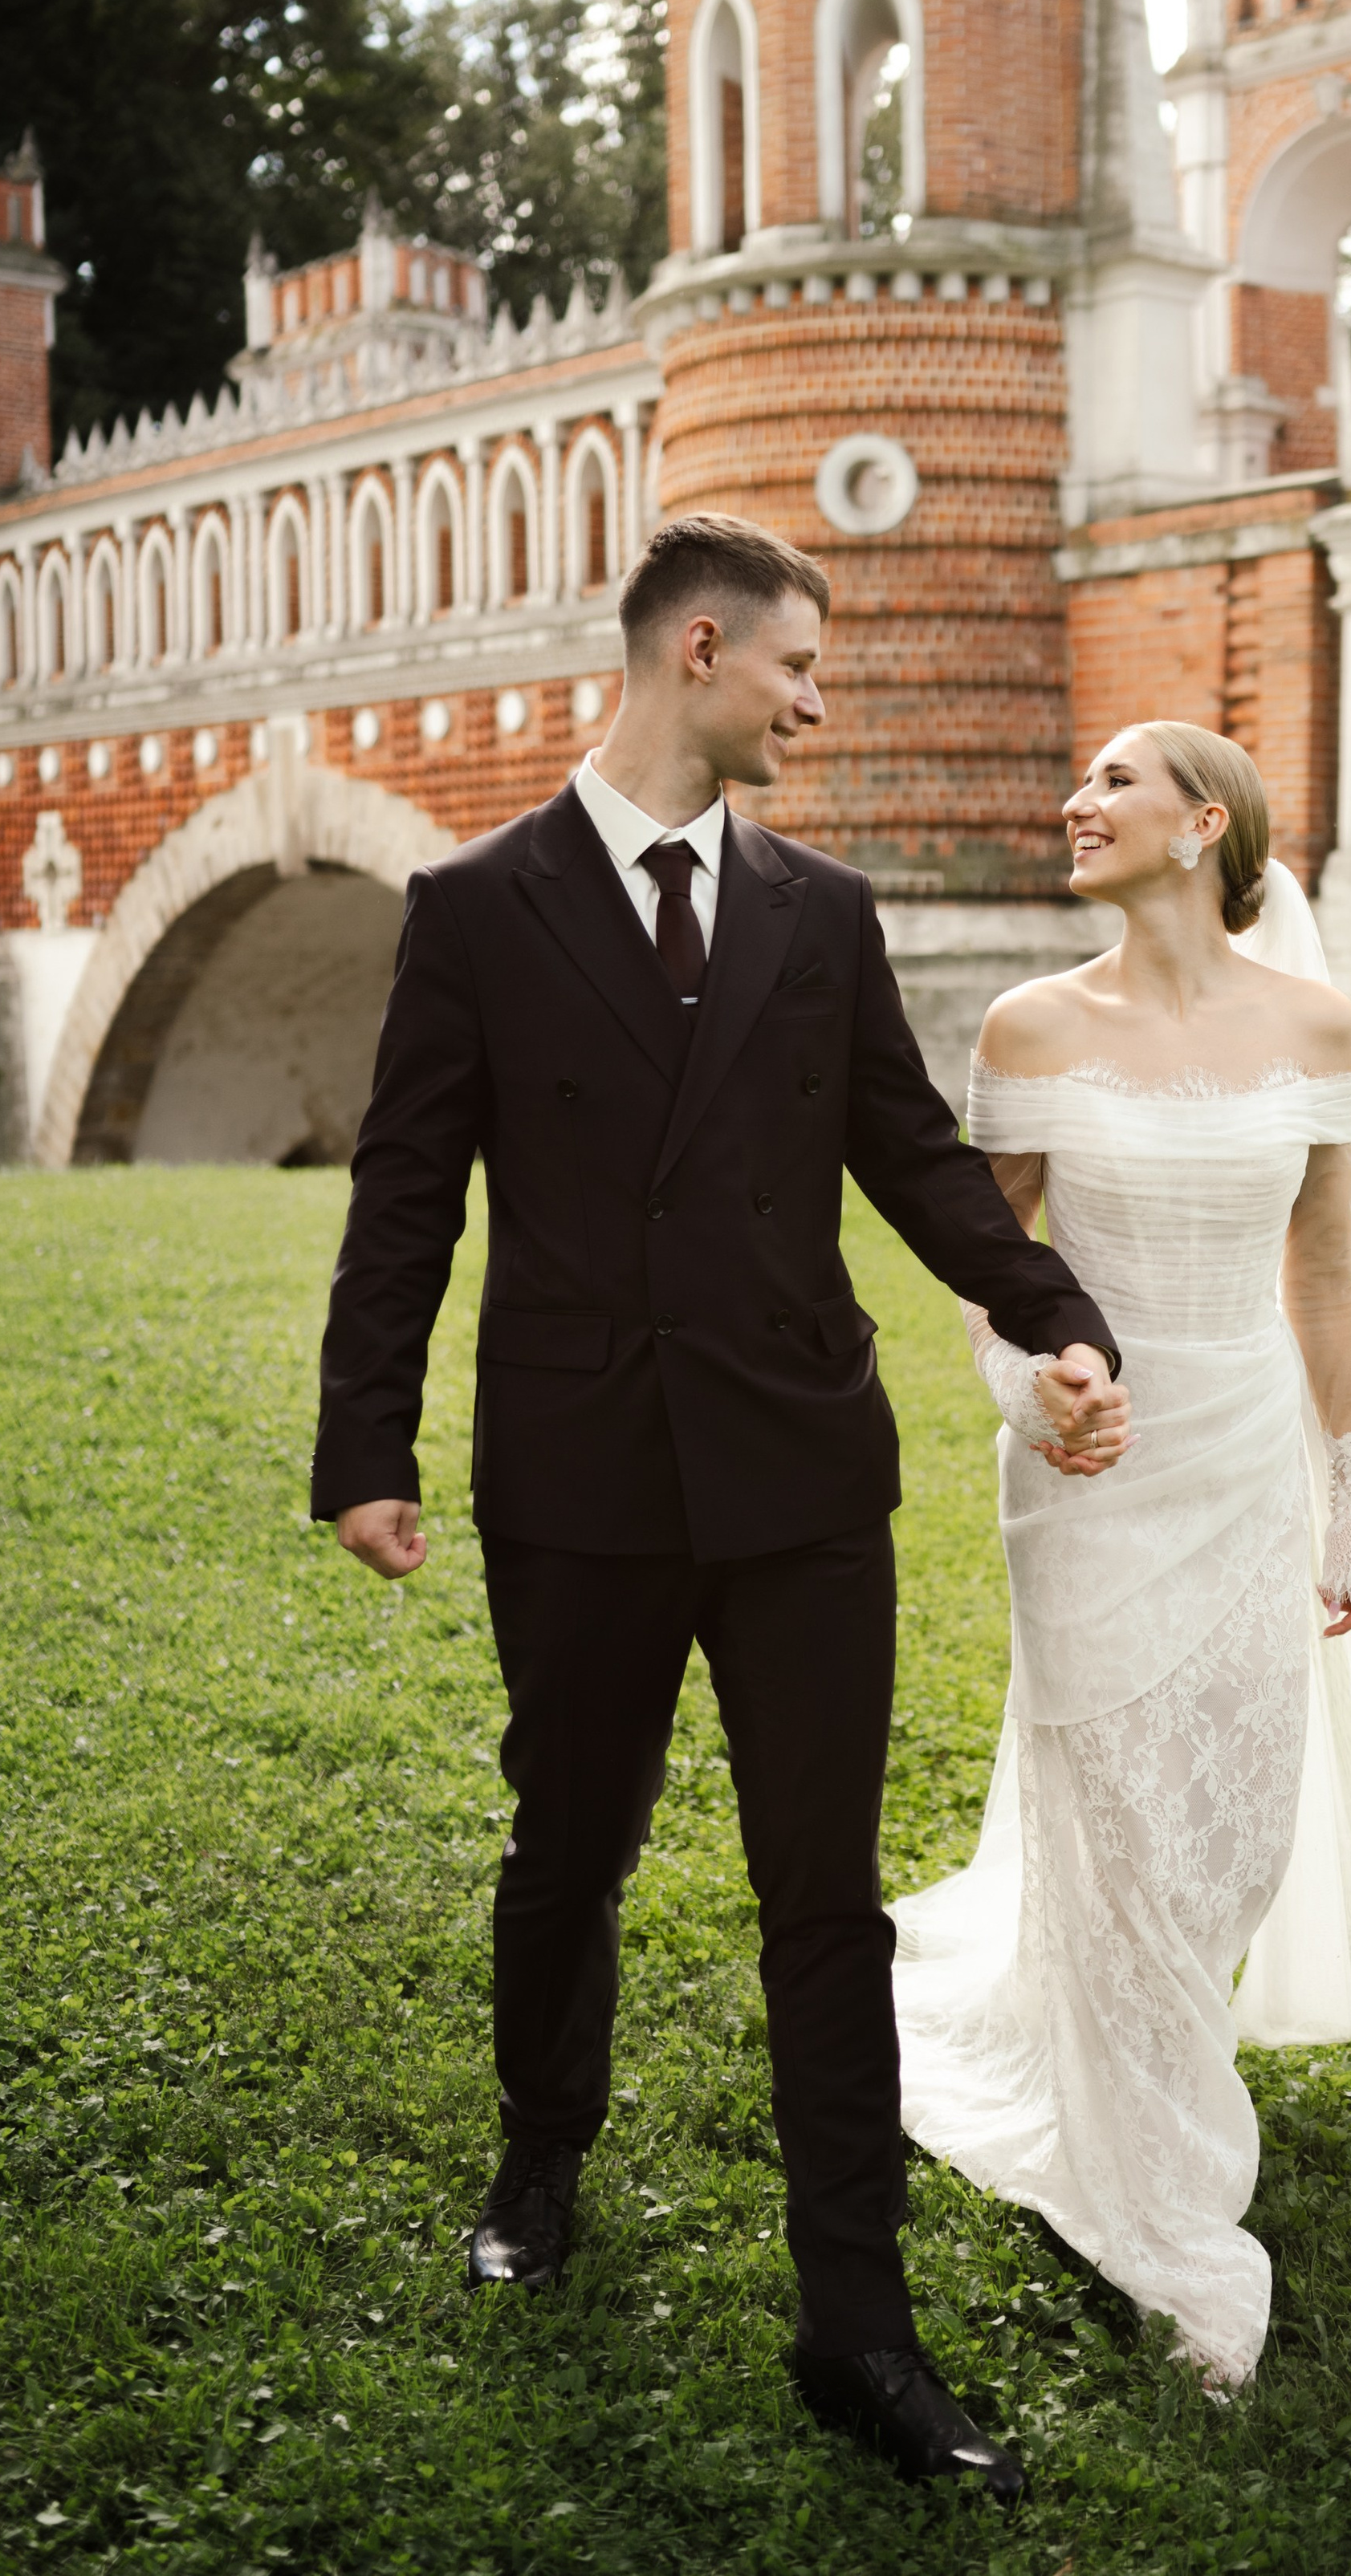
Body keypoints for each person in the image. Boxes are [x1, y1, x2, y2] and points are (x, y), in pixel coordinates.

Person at [310, 511, 1131, 2503]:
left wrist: (1054, 1315)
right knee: (569, 1843)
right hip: (581, 1473)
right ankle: (539, 2155)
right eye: (793, 669)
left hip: (796, 1475)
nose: (815, 701)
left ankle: (860, 2330)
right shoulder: (476, 906)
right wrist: (367, 1447)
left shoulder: (816, 909)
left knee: (820, 1901)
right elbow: (406, 1194)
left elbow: (909, 1153)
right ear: (697, 651)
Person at [891, 721, 1351, 2391]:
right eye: (1070, 784)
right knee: (1124, 1828)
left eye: (1111, 785)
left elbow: (1330, 1277)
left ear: (1200, 823)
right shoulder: (1029, 1024)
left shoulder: (1316, 1024)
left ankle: (1137, 2042)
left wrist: (1349, 1495)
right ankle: (1164, 2208)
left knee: (1224, 1823)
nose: (1072, 803)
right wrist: (1029, 1390)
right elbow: (985, 1258)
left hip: (1248, 1455)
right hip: (1089, 1463)